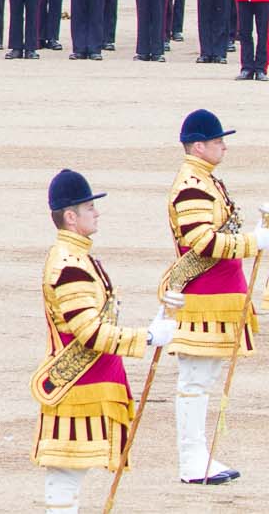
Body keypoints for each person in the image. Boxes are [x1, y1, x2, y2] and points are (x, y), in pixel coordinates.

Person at [34, 168, 170, 514]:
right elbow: (90, 333)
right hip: (77, 386)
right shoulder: (70, 264)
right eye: (90, 208)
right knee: (65, 480)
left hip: (87, 384)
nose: (97, 213)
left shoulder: (77, 257)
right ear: (70, 216)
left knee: (69, 482)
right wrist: (148, 337)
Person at [164, 107, 266, 485]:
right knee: (194, 381)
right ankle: (191, 459)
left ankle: (199, 455)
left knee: (202, 381)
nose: (224, 147)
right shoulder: (193, 184)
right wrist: (252, 242)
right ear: (198, 145)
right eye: (218, 141)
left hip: (218, 294)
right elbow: (202, 242)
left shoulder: (205, 180)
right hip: (203, 295)